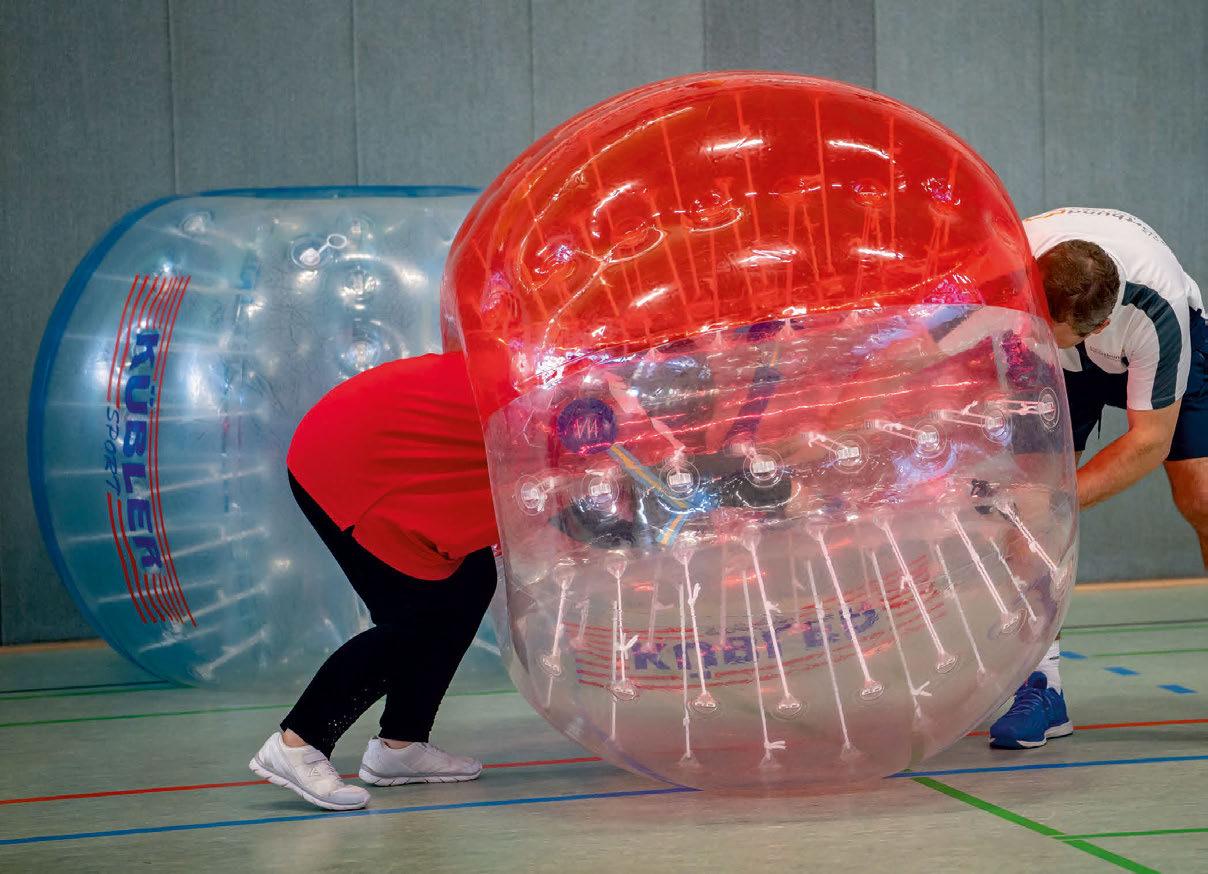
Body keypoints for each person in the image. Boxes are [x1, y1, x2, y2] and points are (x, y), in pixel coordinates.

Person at [990, 207, 1206, 750]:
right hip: (1057, 366)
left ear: (1100, 327)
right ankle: (1042, 686)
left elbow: (1149, 442)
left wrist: (1062, 501)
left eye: (1053, 331)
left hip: (1149, 350)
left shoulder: (1157, 313)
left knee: (1201, 496)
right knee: (1031, 514)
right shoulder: (1009, 266)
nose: (1043, 335)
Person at [248, 351, 500, 810]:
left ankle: (401, 745)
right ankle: (299, 741)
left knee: (469, 578)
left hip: (382, 445)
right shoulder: (579, 404)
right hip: (354, 461)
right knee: (416, 618)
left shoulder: (581, 381)